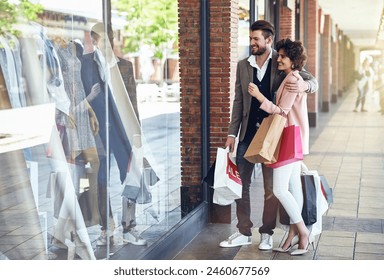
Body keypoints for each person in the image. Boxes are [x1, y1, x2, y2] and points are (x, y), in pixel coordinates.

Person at [219, 20, 318, 250]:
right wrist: (232, 133)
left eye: (256, 39)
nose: (251, 42)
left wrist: (305, 87)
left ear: (268, 40)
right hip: (247, 135)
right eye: (250, 38)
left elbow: (312, 81)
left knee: (271, 188)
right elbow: (238, 100)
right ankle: (243, 231)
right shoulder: (243, 66)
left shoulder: (282, 60)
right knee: (241, 184)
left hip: (273, 136)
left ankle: (266, 232)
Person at [249, 38, 314, 255]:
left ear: (293, 61)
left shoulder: (293, 79)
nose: (279, 58)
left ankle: (303, 232)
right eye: (279, 55)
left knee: (279, 189)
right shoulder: (291, 77)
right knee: (294, 188)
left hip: (288, 137)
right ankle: (294, 233)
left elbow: (282, 111)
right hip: (293, 136)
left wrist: (259, 96)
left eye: (283, 56)